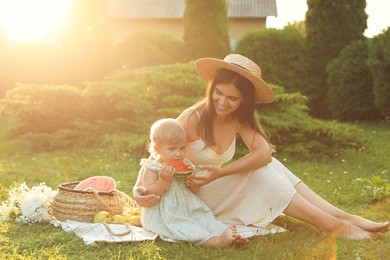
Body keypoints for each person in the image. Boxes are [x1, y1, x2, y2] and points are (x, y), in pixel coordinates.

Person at [134, 54, 389, 240]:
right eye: (218, 93)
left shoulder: (240, 119)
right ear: (211, 89)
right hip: (192, 196)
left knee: (270, 164)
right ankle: (331, 225)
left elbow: (264, 153)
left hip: (214, 185)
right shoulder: (192, 118)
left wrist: (220, 172)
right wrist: (139, 189)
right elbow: (157, 152)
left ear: (244, 100)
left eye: (232, 98)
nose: (223, 102)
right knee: (262, 173)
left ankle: (346, 217)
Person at [138, 118, 248, 247]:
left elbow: (193, 190)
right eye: (172, 149)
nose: (178, 153)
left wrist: (194, 184)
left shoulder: (186, 164)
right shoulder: (152, 167)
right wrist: (163, 180)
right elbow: (149, 193)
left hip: (186, 206)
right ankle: (215, 242)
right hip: (164, 213)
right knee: (183, 226)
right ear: (157, 149)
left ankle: (223, 234)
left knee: (204, 218)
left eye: (182, 148)